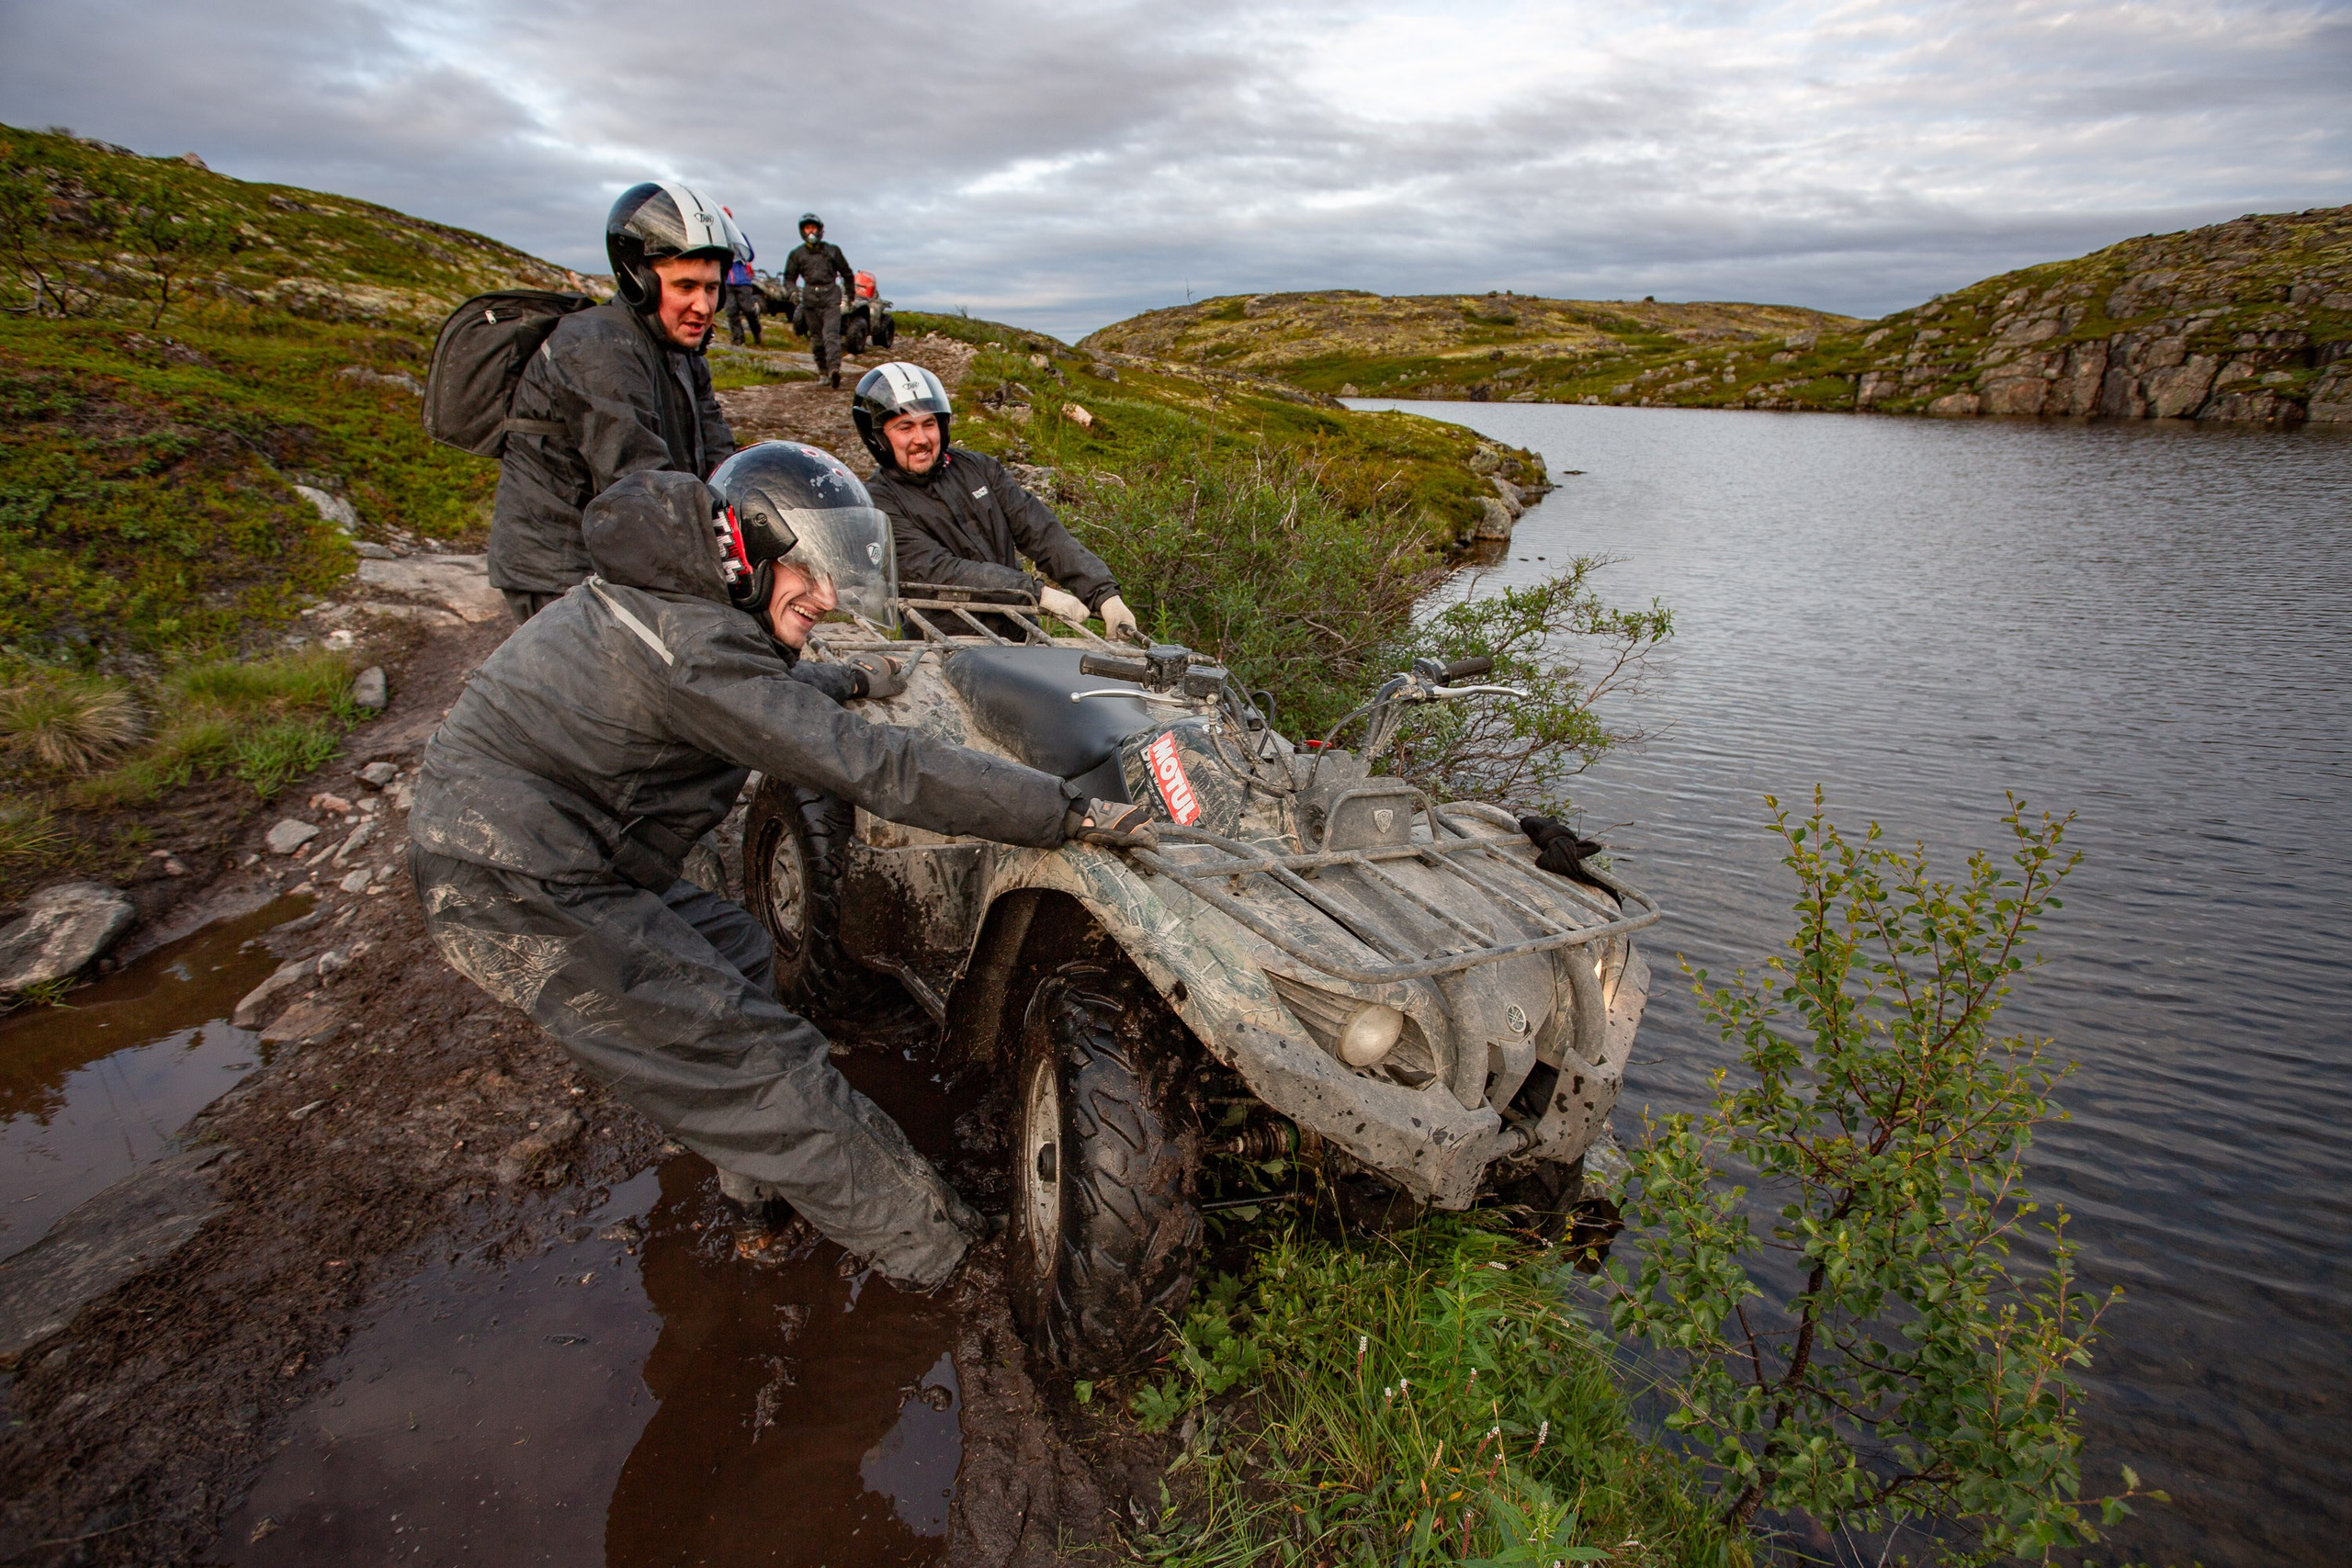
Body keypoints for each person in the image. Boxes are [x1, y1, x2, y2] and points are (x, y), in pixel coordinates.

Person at [409, 444, 1152, 1290]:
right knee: (761, 1062)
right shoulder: (692, 647)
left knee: (739, 950)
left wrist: (843, 677)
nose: (826, 596)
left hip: (557, 837)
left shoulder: (681, 594)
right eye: (806, 572)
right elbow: (879, 768)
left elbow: (756, 686)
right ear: (748, 553)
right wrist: (1062, 810)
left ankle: (750, 1187)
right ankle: (941, 1258)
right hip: (513, 874)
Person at [487, 182, 737, 624]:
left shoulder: (681, 352)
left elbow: (718, 458)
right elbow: (638, 477)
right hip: (561, 568)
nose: (704, 305)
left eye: (713, 288)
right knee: (599, 690)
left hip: (616, 553)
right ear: (637, 279)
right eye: (685, 286)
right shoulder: (598, 347)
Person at [853, 362, 1141, 641]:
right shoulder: (878, 504)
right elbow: (939, 571)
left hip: (1020, 631)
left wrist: (1103, 592)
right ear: (878, 438)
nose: (922, 439)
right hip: (944, 645)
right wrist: (1037, 593)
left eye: (929, 424)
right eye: (905, 428)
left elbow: (1039, 530)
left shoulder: (979, 468)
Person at [782, 213, 854, 389]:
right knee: (817, 338)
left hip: (831, 297)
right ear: (802, 231)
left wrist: (850, 296)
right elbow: (789, 278)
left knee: (831, 334)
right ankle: (822, 372)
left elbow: (847, 273)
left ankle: (834, 369)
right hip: (810, 300)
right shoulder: (796, 254)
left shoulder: (832, 251)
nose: (811, 232)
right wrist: (792, 293)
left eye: (813, 228)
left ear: (820, 229)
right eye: (807, 228)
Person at [721, 206, 762, 346]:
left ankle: (757, 333)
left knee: (749, 310)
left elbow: (750, 255)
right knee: (731, 311)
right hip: (725, 280)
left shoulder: (739, 235)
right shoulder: (716, 237)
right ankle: (738, 340)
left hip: (742, 279)